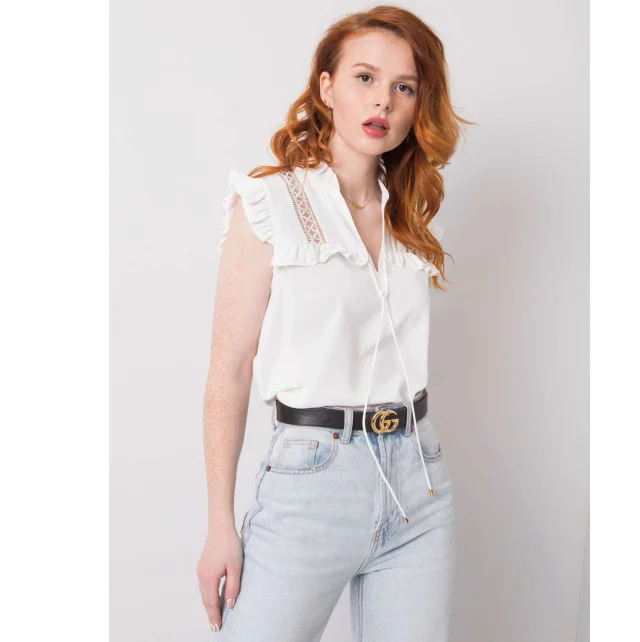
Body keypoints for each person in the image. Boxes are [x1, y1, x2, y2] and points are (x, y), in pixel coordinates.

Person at [197, 6, 472, 640]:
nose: (384, 102)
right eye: (364, 78)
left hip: (420, 478)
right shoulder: (267, 204)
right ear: (326, 87)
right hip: (312, 479)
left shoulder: (408, 216)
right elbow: (228, 372)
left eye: (404, 87)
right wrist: (219, 524)